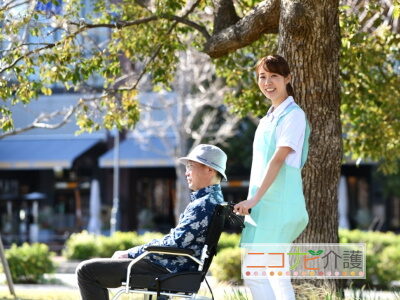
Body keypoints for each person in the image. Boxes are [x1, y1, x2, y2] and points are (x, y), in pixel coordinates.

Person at [76, 144, 227, 300]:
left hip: (167, 269)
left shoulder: (203, 204)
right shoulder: (214, 201)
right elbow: (177, 242)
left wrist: (129, 253)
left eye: (191, 166)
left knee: (86, 270)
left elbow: (175, 244)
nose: (186, 172)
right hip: (177, 268)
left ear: (209, 169)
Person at [234, 55, 311, 300]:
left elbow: (278, 160)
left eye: (274, 76)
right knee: (273, 274)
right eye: (262, 77)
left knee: (259, 273)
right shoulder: (269, 117)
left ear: (287, 79)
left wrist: (254, 199)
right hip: (265, 207)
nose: (267, 82)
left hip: (278, 206)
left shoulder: (293, 115)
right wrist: (255, 202)